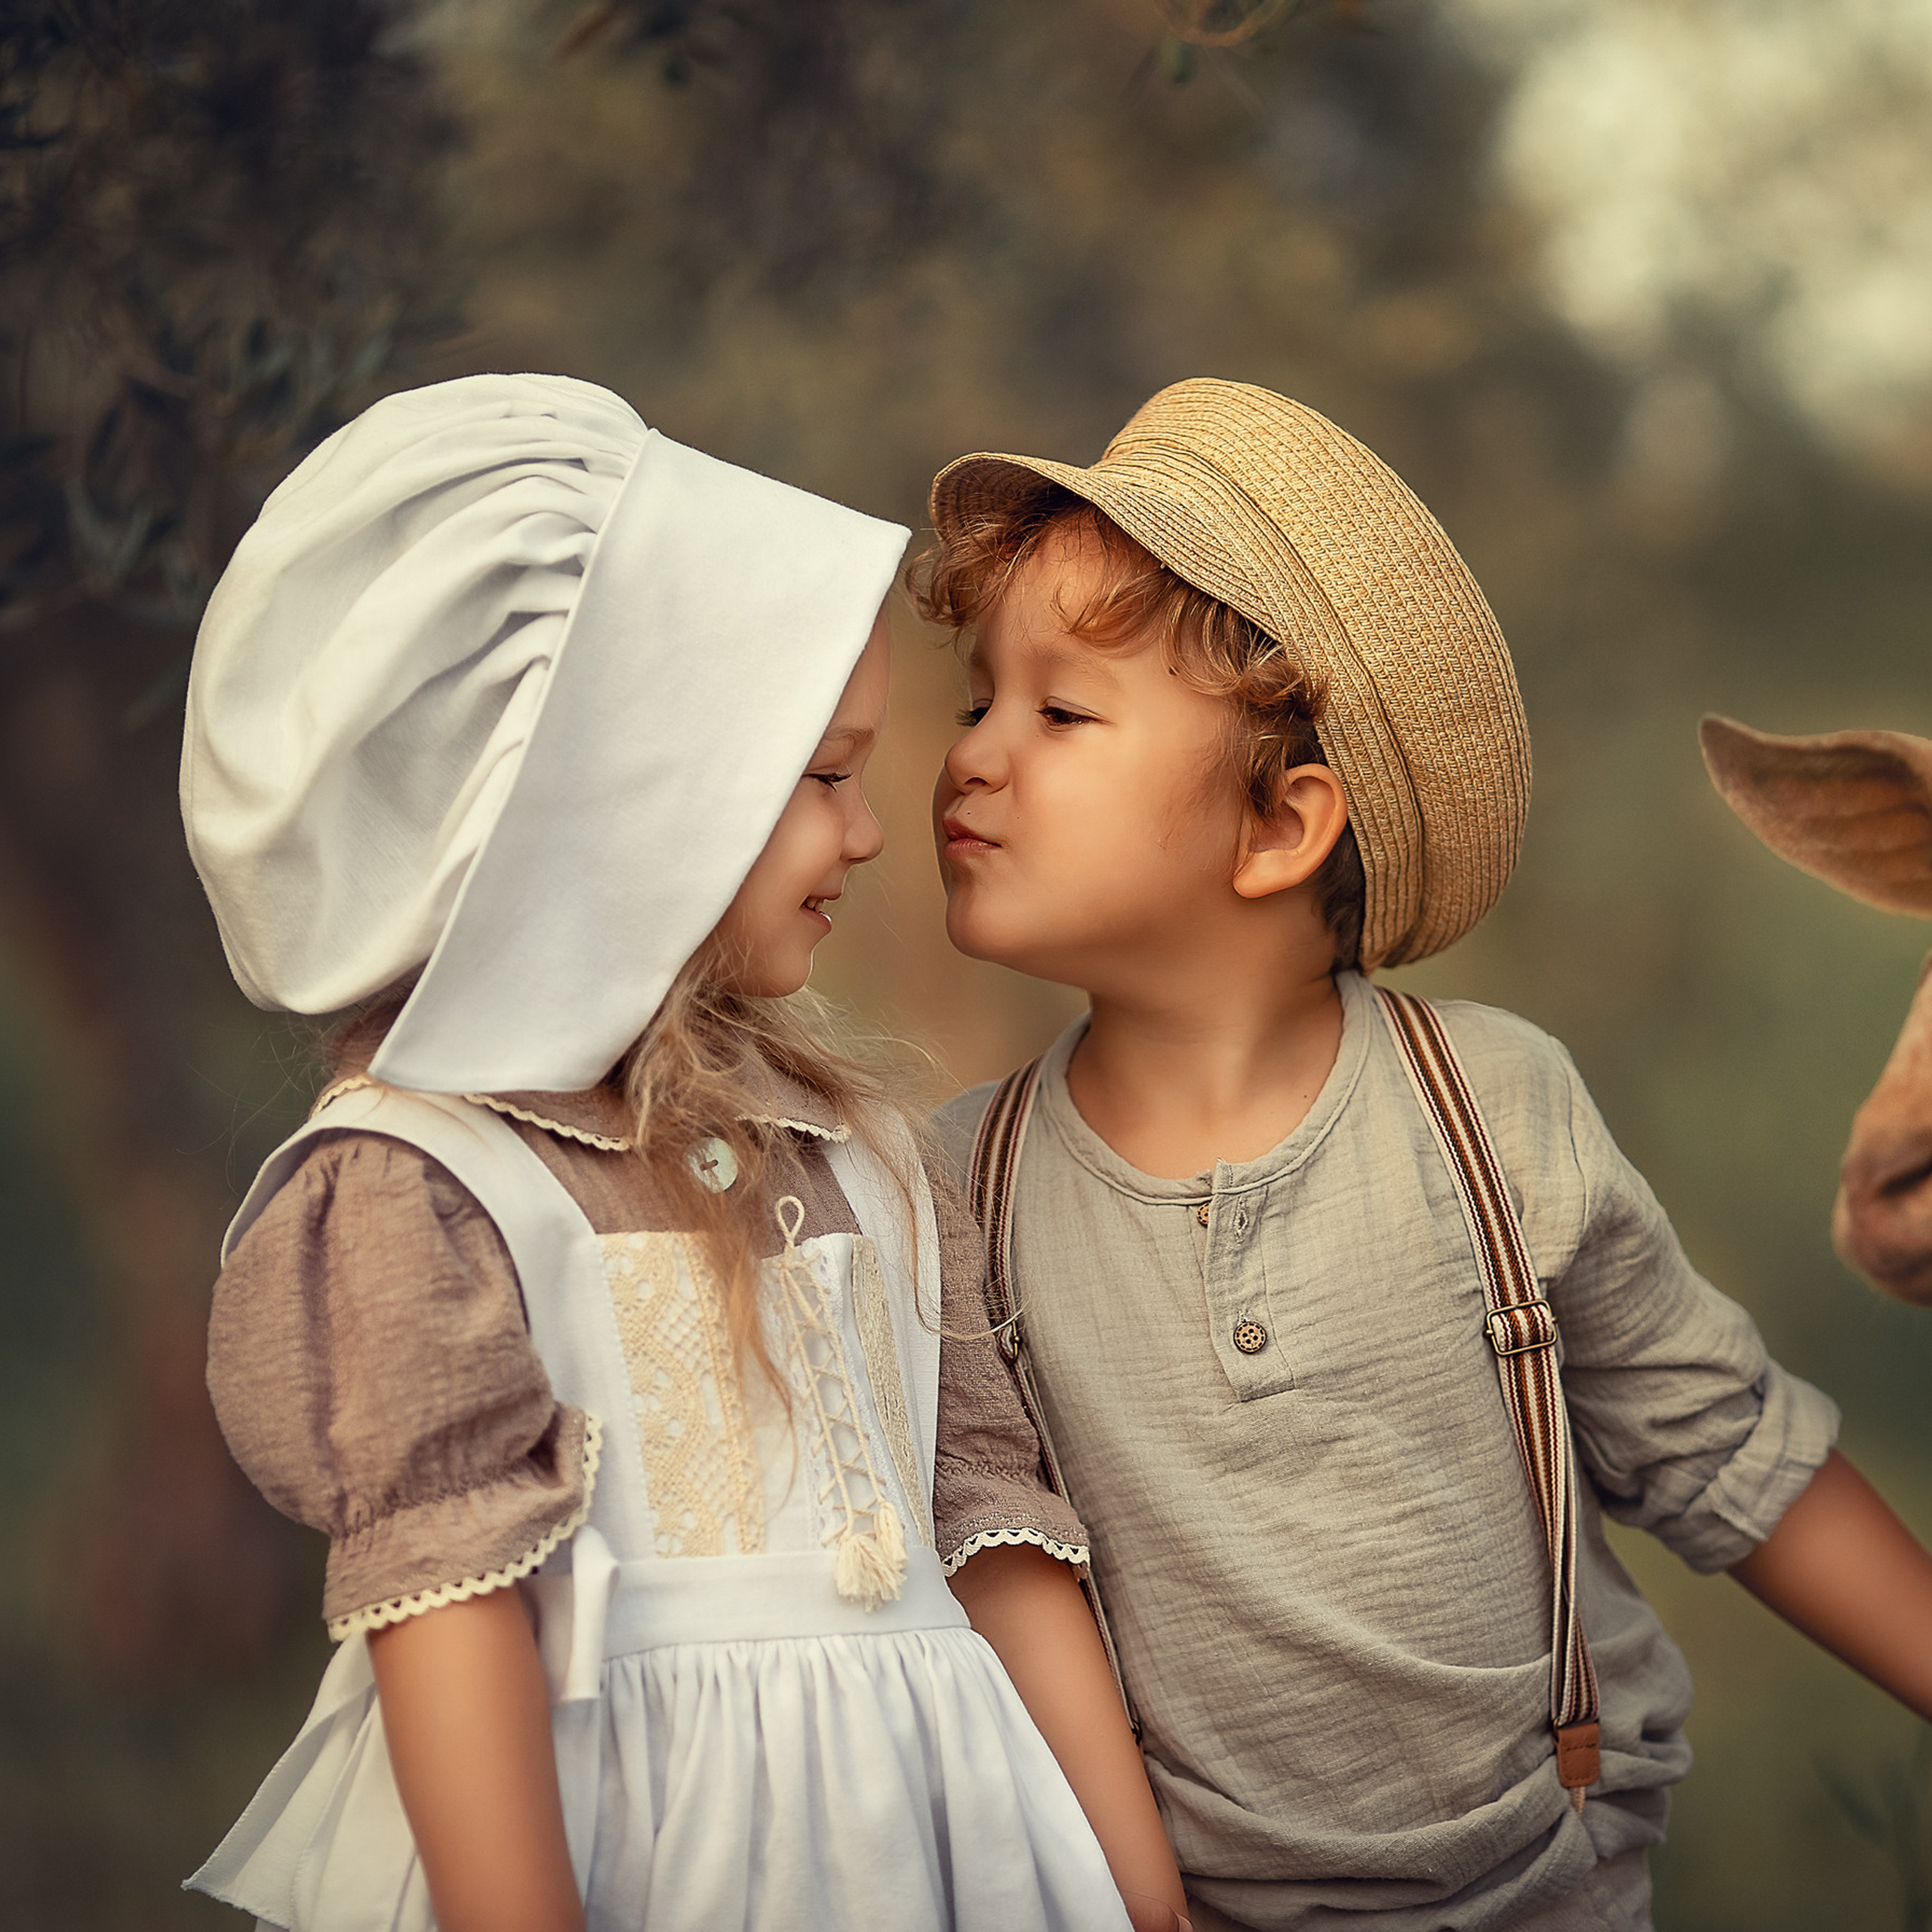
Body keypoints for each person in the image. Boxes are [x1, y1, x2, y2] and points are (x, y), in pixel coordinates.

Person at [917, 378, 1932, 1932]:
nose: (973, 756)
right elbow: (1005, 1568)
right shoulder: (960, 1194)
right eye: (977, 698)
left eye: (1057, 713)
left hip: (1556, 1889)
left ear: (1279, 828)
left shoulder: (1489, 1108)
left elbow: (1717, 1444)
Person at [180, 374, 1189, 1932]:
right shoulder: (428, 1190)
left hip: (932, 1848)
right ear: (635, 803)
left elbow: (981, 1511)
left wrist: (1136, 1887)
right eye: (823, 777)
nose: (867, 832)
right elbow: (453, 1612)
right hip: (636, 1849)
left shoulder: (864, 1156)